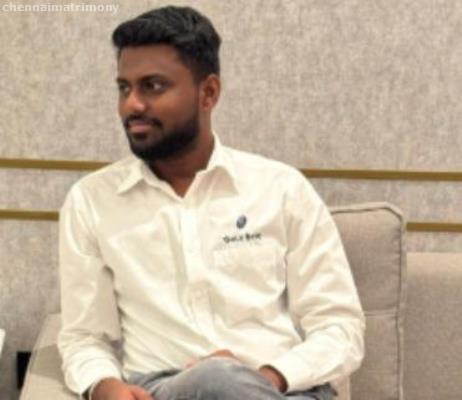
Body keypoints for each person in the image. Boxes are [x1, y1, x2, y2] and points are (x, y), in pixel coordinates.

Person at [58, 5, 365, 400]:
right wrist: (105, 386)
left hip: (285, 388)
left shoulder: (281, 189)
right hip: (166, 390)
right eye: (124, 88)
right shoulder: (92, 201)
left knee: (225, 380)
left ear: (208, 93)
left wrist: (266, 377)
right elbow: (85, 337)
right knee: (215, 379)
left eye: (153, 86)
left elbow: (340, 327)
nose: (132, 105)